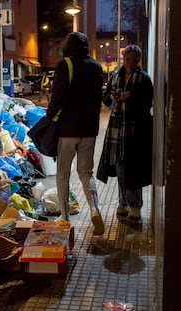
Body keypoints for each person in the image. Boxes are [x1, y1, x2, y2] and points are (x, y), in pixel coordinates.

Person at [46, 32, 105, 235]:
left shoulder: (66, 65)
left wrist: (49, 115)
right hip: (89, 130)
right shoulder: (97, 67)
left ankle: (64, 217)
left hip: (67, 131)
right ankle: (95, 209)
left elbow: (58, 96)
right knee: (86, 173)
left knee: (63, 174)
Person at [97, 44, 153, 221]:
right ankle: (122, 202)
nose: (129, 61)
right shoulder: (115, 75)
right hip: (117, 127)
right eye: (126, 58)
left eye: (133, 58)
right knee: (120, 166)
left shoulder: (144, 78)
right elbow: (105, 96)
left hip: (135, 129)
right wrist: (113, 100)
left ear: (138, 60)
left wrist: (132, 98)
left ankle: (135, 205)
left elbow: (147, 103)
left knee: (134, 166)